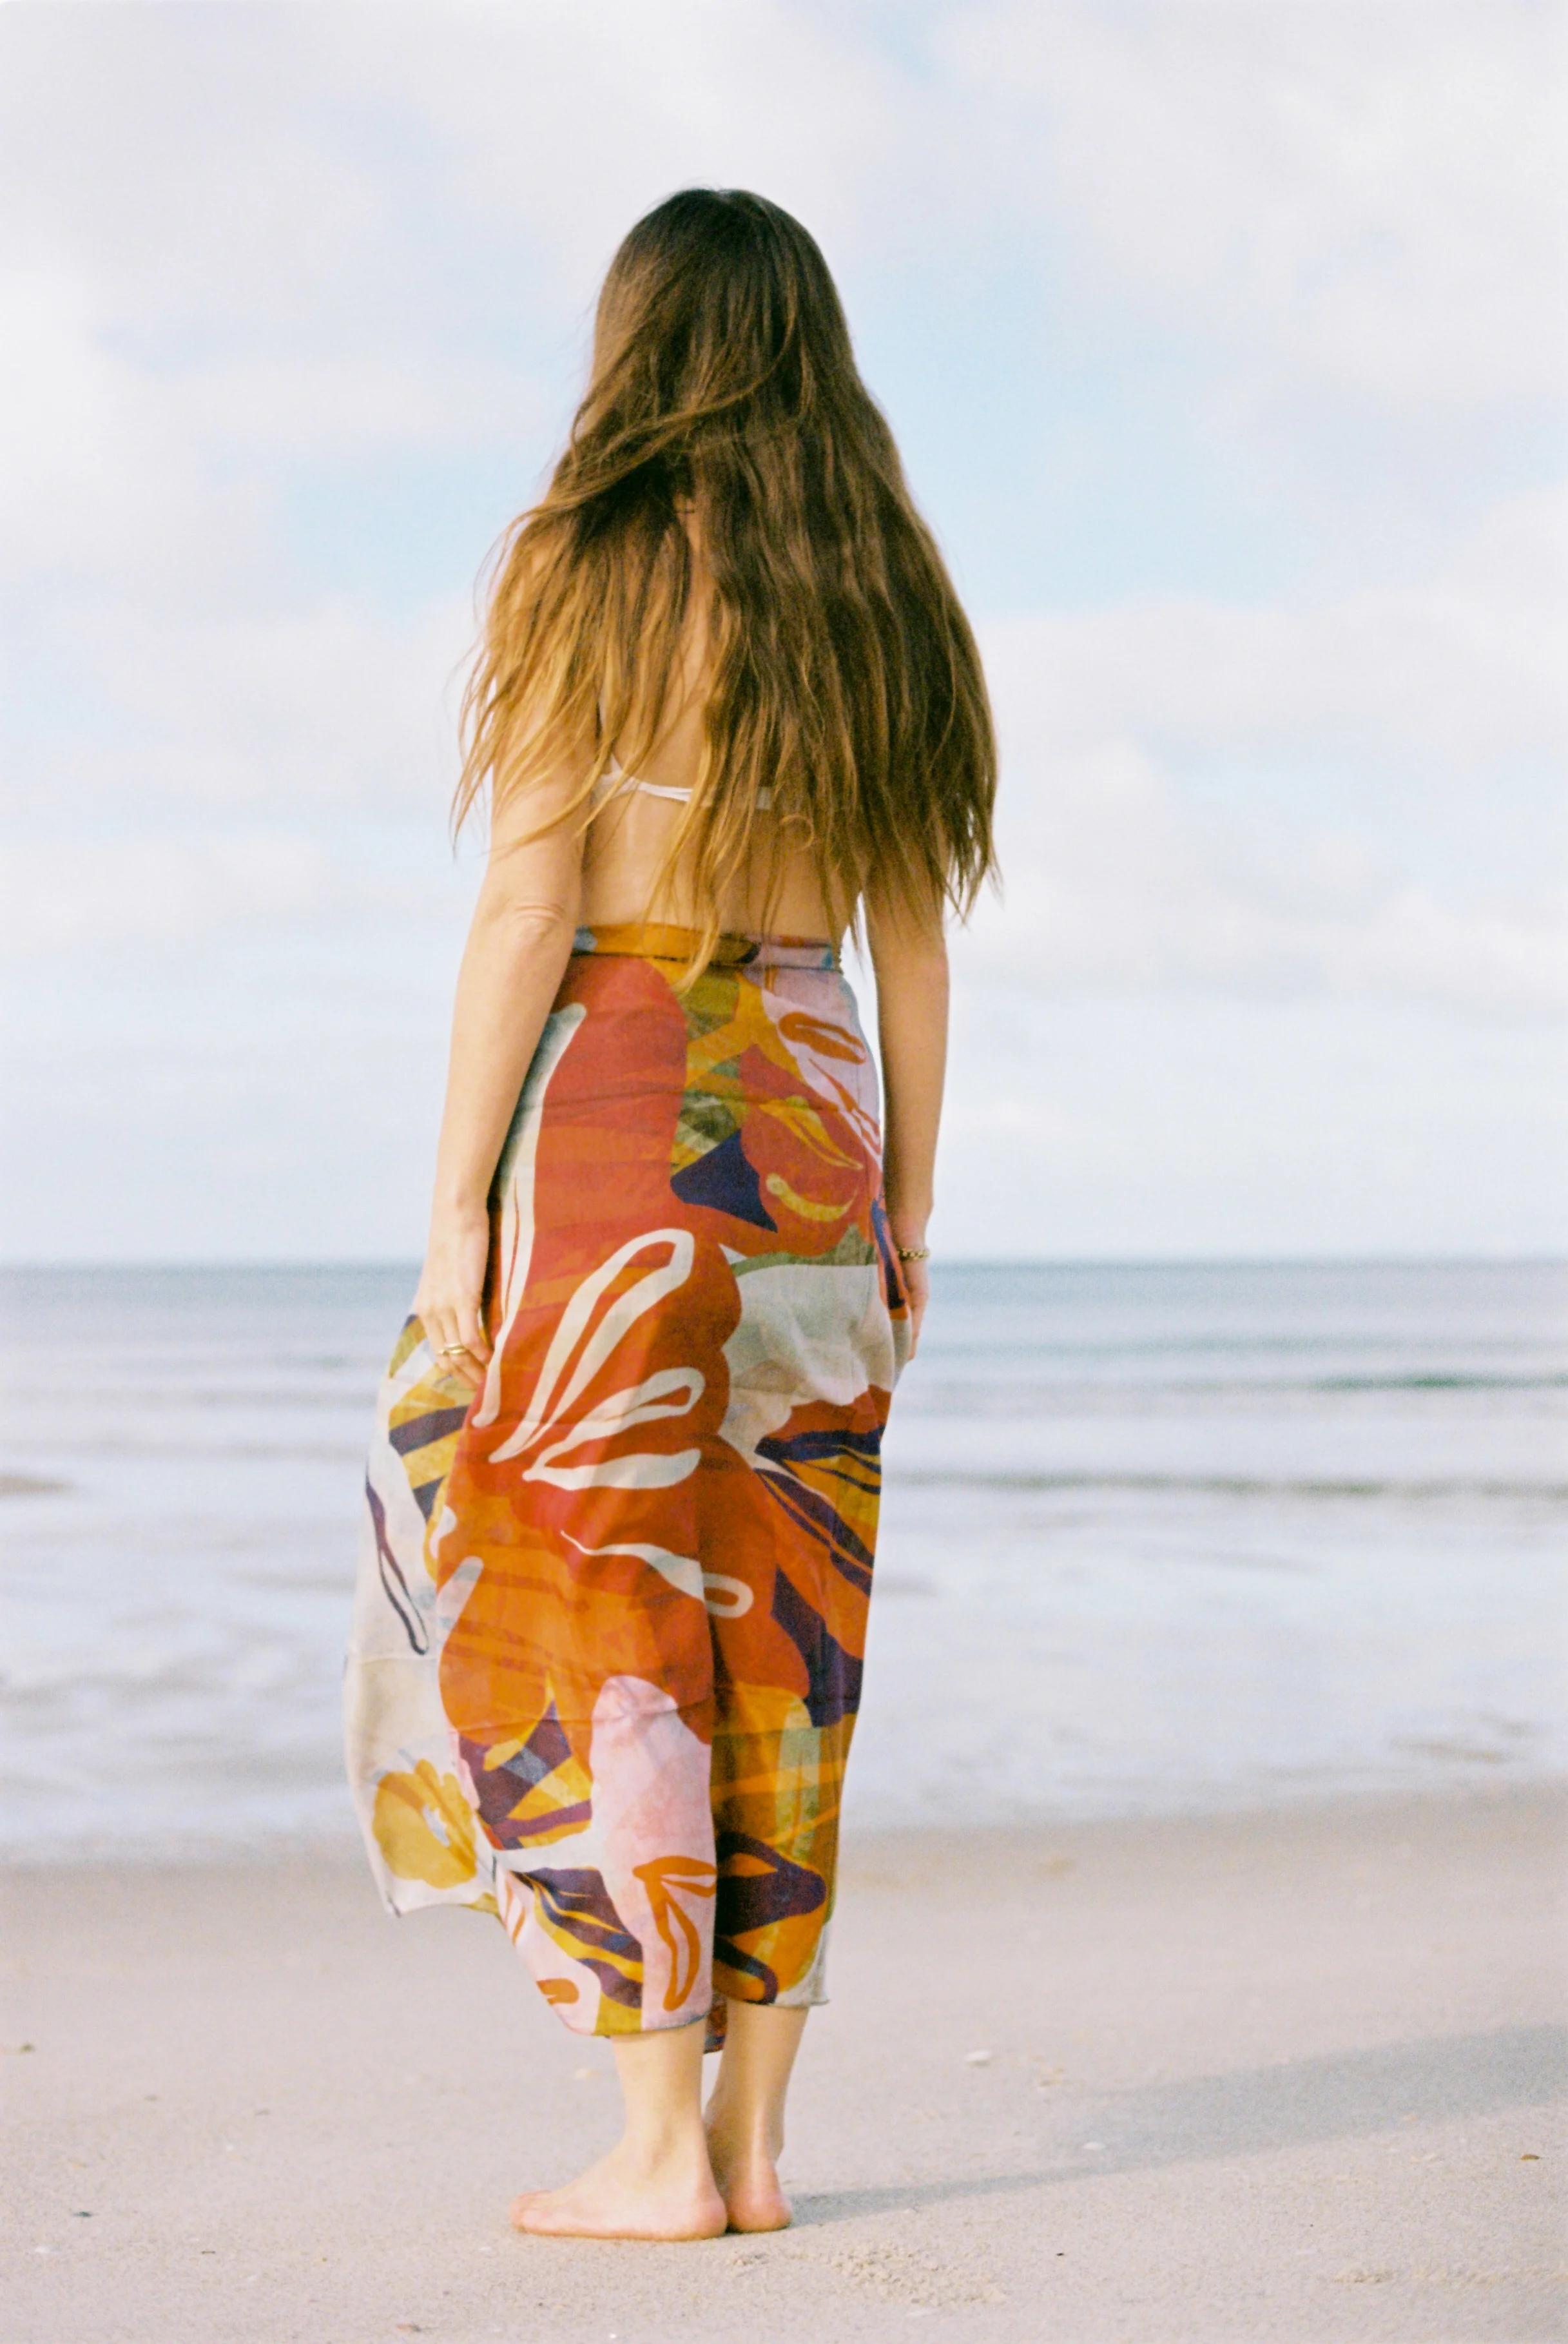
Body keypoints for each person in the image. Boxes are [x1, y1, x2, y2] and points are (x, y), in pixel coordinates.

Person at [344, 186, 996, 2243]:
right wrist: (902, 1210)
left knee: (600, 1618)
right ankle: (755, 2146)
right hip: (810, 1137)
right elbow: (915, 945)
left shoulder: (588, 560)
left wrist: (453, 1212)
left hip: (619, 1120)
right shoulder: (879, 584)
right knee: (787, 1634)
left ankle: (649, 2148)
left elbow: (528, 904)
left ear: (634, 344)